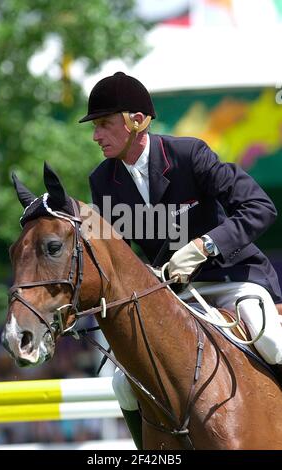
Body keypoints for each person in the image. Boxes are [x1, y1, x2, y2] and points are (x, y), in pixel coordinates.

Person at [79, 71, 282, 448]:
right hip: (172, 291)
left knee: (270, 339)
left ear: (136, 121)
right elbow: (121, 252)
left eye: (104, 124)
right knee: (124, 383)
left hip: (231, 277)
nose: (96, 135)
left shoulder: (189, 154)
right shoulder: (103, 180)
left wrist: (204, 246)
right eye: (95, 126)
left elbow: (259, 207)